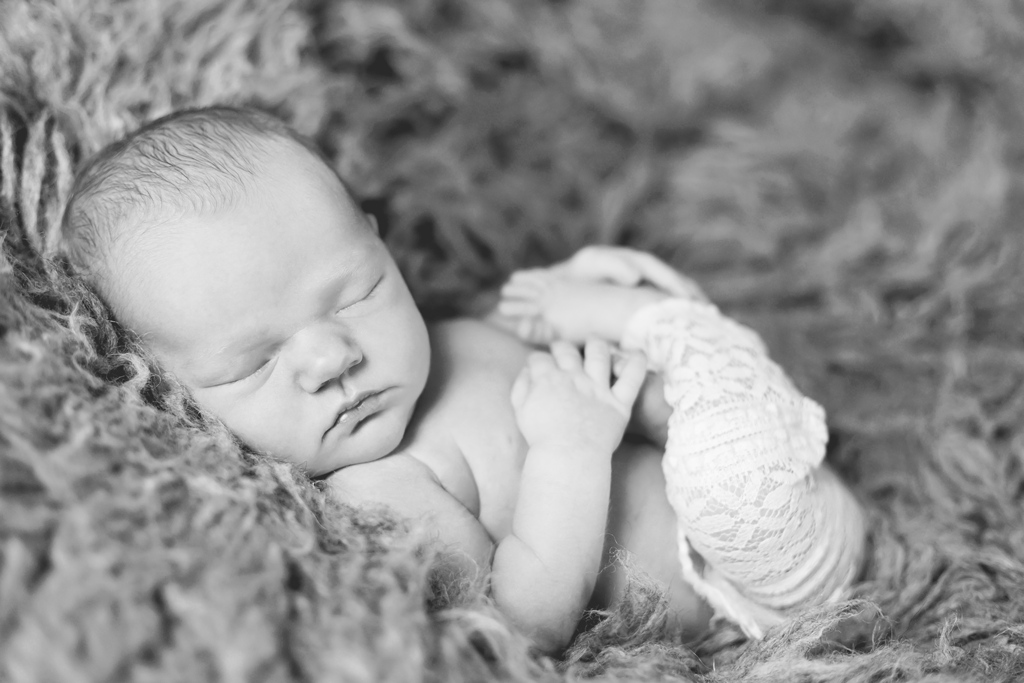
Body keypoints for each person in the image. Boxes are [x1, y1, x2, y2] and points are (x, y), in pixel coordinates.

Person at [61, 105, 863, 653]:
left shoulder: (440, 337)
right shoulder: (380, 487)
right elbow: (526, 617)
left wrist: (563, 294)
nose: (329, 356)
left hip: (789, 479)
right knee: (709, 438)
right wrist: (569, 454)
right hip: (743, 576)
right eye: (255, 362)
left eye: (357, 292)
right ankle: (681, 334)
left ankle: (673, 336)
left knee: (628, 330)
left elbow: (534, 341)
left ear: (383, 249)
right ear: (174, 394)